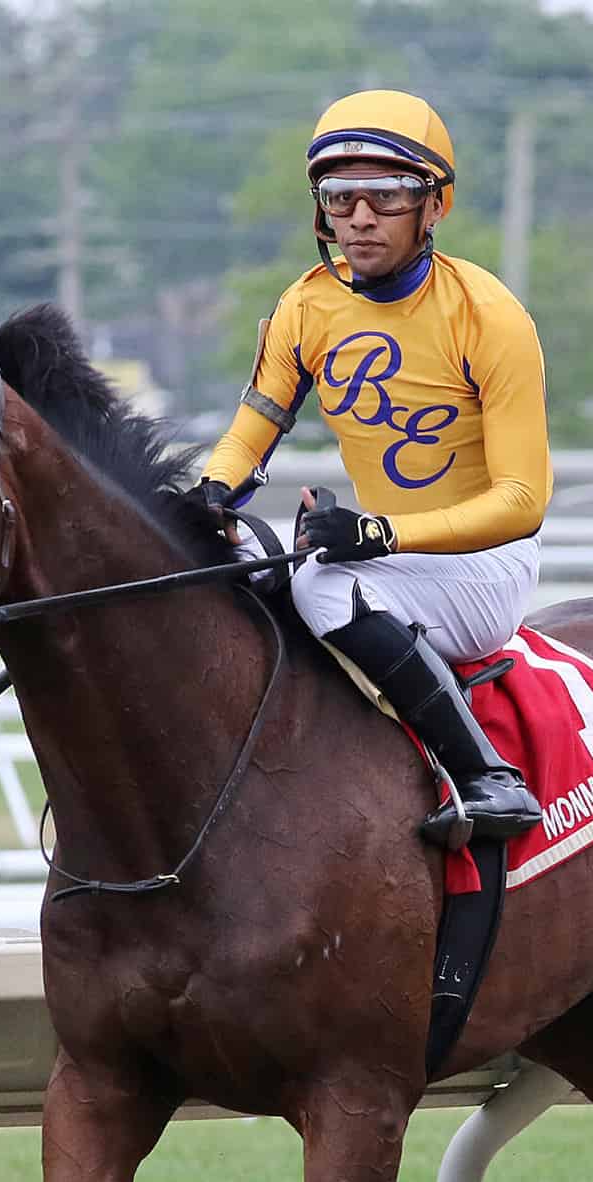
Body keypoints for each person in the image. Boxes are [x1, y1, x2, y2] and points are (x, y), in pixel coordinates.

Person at [192, 89, 549, 844]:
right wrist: (209, 494)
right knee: (229, 558)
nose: (359, 216)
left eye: (386, 195)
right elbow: (250, 433)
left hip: (486, 565)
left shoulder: (489, 314)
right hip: (390, 556)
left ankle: (488, 776)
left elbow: (522, 502)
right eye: (340, 196)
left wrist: (382, 533)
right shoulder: (306, 305)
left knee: (323, 584)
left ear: (433, 206)